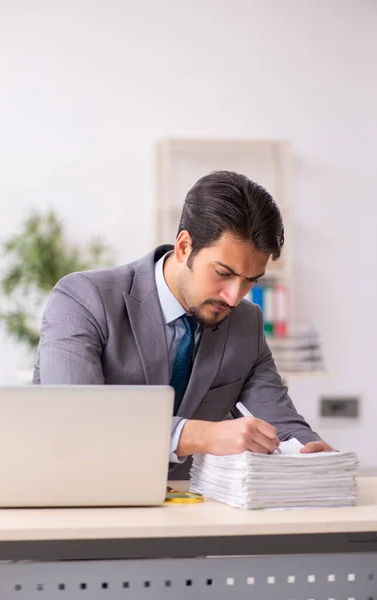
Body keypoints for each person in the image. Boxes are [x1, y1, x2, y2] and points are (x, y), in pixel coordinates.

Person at [33, 171, 333, 478]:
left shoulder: (246, 322)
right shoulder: (83, 299)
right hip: (78, 498)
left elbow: (280, 422)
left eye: (250, 281)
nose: (234, 297)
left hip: (186, 510)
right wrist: (202, 435)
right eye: (223, 273)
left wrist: (314, 453)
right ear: (184, 246)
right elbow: (75, 416)